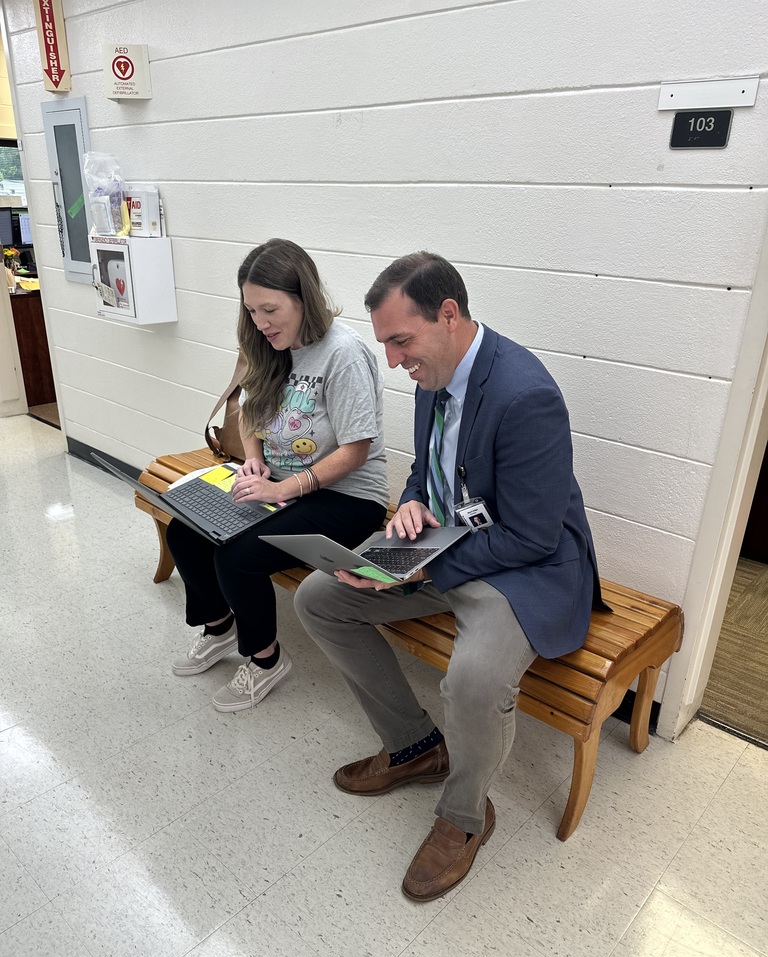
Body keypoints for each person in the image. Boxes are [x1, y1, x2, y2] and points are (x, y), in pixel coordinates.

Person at [294, 252, 603, 901]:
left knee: (474, 678)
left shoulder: (526, 395)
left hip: (525, 566)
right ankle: (413, 747)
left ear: (450, 315)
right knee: (321, 598)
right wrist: (409, 504)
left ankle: (465, 816)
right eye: (385, 345)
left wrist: (412, 568)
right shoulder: (433, 372)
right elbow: (428, 472)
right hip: (446, 538)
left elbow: (532, 536)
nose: (393, 361)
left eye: (400, 341)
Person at [167, 239, 388, 712]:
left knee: (237, 557)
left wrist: (281, 488)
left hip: (347, 498)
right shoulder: (269, 345)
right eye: (251, 310)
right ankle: (219, 626)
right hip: (280, 487)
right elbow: (249, 412)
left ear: (303, 298)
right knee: (186, 532)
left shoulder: (343, 354)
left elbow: (355, 450)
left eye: (270, 309)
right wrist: (253, 458)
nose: (260, 322)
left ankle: (266, 661)